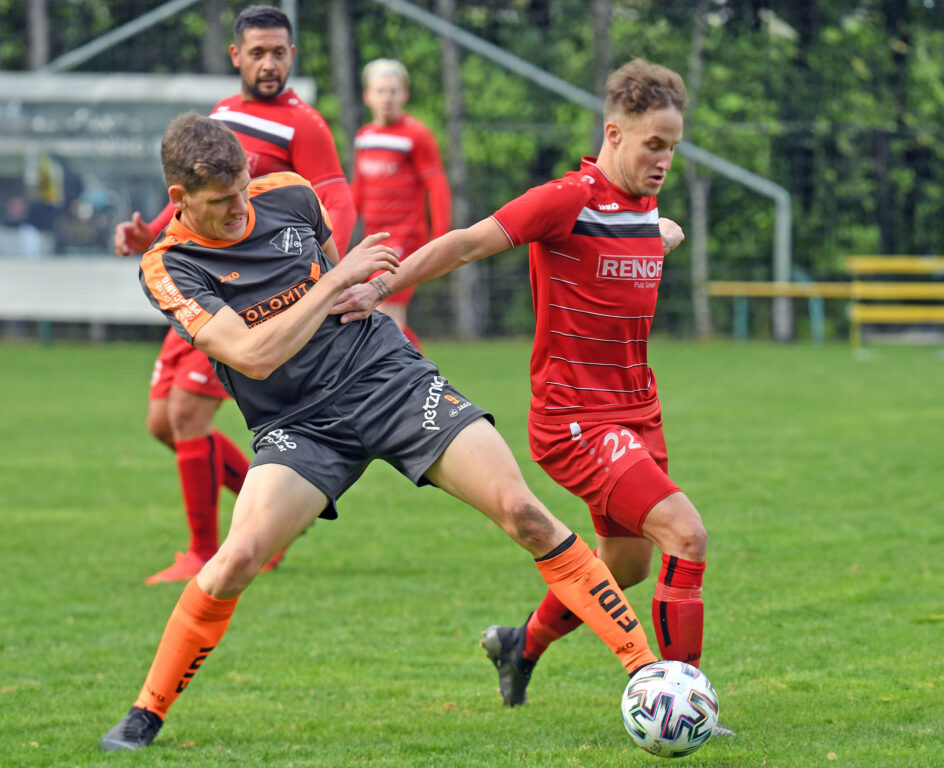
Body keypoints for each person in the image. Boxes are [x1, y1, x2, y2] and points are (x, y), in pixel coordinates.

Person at [99, 112, 663, 751]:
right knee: (236, 560)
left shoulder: (288, 194)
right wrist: (337, 278)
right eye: (219, 203)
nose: (238, 209)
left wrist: (342, 284)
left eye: (242, 189)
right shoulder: (170, 265)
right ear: (179, 200)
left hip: (387, 380)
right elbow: (253, 356)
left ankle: (650, 677)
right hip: (298, 425)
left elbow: (340, 305)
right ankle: (146, 712)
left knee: (524, 513)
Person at [332, 59, 732, 733]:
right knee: (685, 536)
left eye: (673, 147)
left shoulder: (641, 206)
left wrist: (658, 231)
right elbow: (465, 244)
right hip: (575, 420)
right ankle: (683, 705)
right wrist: (380, 288)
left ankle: (521, 645)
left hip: (639, 415)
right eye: (653, 146)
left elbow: (636, 234)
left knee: (625, 567)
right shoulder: (565, 199)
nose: (664, 160)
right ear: (614, 134)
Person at [113, 5, 357, 583]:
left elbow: (336, 201)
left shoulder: (306, 124)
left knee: (187, 417)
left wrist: (329, 276)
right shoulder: (222, 116)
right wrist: (149, 233)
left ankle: (203, 552)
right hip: (202, 280)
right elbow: (195, 200)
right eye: (258, 53)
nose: (269, 64)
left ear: (292, 56)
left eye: (279, 53)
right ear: (236, 57)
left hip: (251, 296)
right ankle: (285, 506)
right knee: (161, 423)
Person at [351, 58, 452, 353]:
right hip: (375, 239)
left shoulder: (416, 135)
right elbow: (358, 188)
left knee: (382, 307)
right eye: (380, 91)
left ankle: (413, 380)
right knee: (380, 315)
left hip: (405, 236)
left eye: (393, 91)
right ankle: (418, 376)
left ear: (404, 95)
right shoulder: (364, 137)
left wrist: (442, 235)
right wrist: (333, 227)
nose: (387, 97)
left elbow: (437, 185)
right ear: (367, 96)